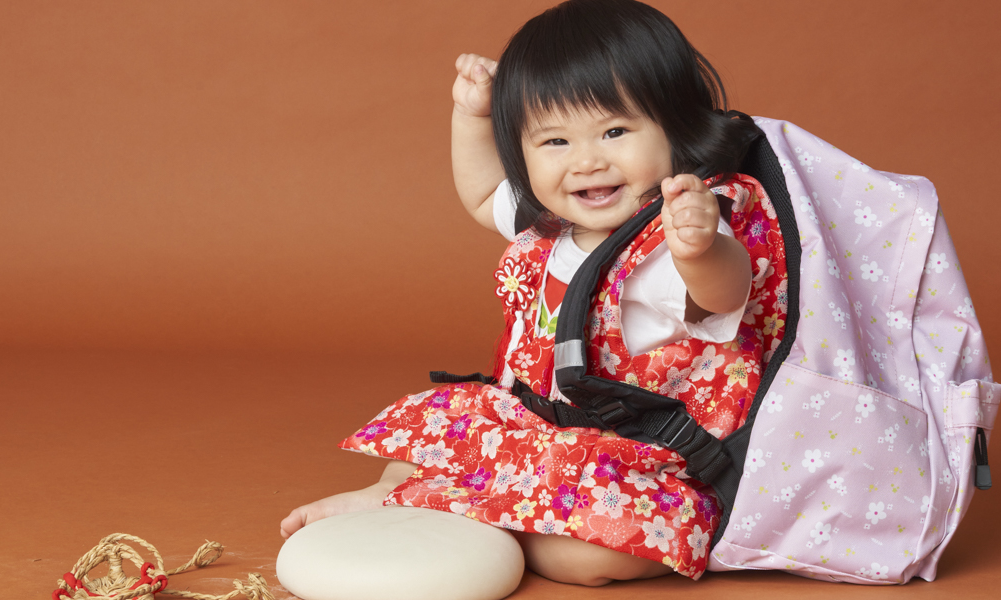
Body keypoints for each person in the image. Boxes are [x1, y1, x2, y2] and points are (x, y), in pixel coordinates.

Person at [280, 0, 787, 586]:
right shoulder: (549, 221)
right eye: (554, 142)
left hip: (627, 454)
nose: (587, 160)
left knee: (600, 557)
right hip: (532, 423)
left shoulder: (673, 230)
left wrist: (701, 250)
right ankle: (405, 492)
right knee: (430, 444)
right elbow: (479, 194)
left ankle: (485, 516)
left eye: (615, 131)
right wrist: (471, 116)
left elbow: (724, 297)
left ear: (676, 127)